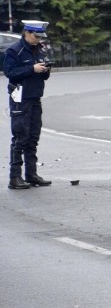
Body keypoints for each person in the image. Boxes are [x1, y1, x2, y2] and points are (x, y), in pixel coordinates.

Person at [4, 20, 52, 189]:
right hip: (20, 99)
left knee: (33, 137)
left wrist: (45, 70)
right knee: (20, 137)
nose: (38, 39)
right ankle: (15, 177)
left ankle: (31, 174)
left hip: (35, 97)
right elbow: (10, 72)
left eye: (40, 37)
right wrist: (32, 69)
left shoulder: (38, 49)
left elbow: (42, 76)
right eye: (36, 36)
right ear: (27, 33)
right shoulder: (15, 50)